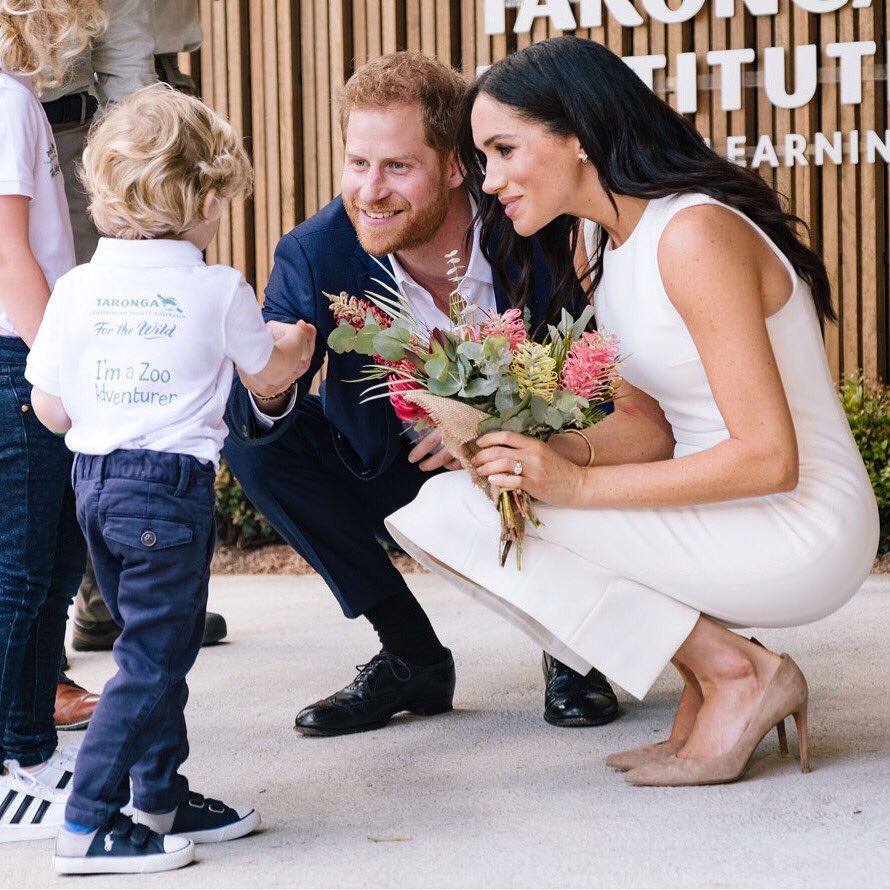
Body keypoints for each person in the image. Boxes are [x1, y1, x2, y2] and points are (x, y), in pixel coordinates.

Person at [386, 37, 880, 787]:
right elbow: (652, 430)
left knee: (460, 516)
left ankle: (740, 674)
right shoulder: (611, 241)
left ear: (577, 134)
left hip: (800, 522)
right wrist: (521, 450)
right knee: (464, 503)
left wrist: (573, 487)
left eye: (504, 150)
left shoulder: (693, 234)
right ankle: (712, 679)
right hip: (727, 510)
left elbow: (767, 457)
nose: (489, 182)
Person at [223, 51, 621, 737]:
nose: (370, 191)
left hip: (535, 458)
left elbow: (598, 379)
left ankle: (572, 650)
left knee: (588, 431)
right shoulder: (316, 253)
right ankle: (411, 658)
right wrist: (270, 382)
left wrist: (496, 425)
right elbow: (270, 384)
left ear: (455, 165)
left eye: (397, 167)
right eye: (358, 164)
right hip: (395, 472)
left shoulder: (533, 225)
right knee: (253, 438)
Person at [25, 84, 315, 873]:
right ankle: (86, 825)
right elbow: (265, 380)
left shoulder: (75, 290)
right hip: (168, 495)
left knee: (156, 647)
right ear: (200, 197)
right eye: (218, 201)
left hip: (94, 486)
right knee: (153, 661)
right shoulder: (217, 288)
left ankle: (158, 796)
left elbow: (49, 410)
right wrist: (298, 341)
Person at [49, 0, 228, 672]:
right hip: (30, 137)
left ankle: (112, 594)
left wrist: (142, 176)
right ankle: (37, 652)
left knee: (116, 343)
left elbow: (123, 49)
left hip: (85, 138)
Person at [0, 0, 106, 842]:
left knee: (49, 556)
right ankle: (12, 759)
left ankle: (32, 749)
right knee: (25, 571)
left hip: (21, 357)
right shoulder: (4, 100)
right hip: (19, 358)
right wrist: (59, 372)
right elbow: (10, 256)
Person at [40, 0, 158, 732]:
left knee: (93, 389)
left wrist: (132, 197)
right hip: (10, 142)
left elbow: (129, 71)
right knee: (25, 405)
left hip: (83, 151)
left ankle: (105, 599)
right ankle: (33, 670)